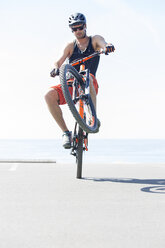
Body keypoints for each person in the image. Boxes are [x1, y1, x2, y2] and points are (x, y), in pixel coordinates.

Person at [45, 13, 115, 149]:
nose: (77, 31)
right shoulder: (70, 46)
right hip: (71, 83)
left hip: (90, 83)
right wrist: (55, 68)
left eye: (80, 27)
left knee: (86, 77)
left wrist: (107, 46)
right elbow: (58, 62)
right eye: (74, 29)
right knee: (48, 95)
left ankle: (92, 117)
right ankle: (66, 133)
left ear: (85, 26)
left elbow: (103, 43)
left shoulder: (94, 40)